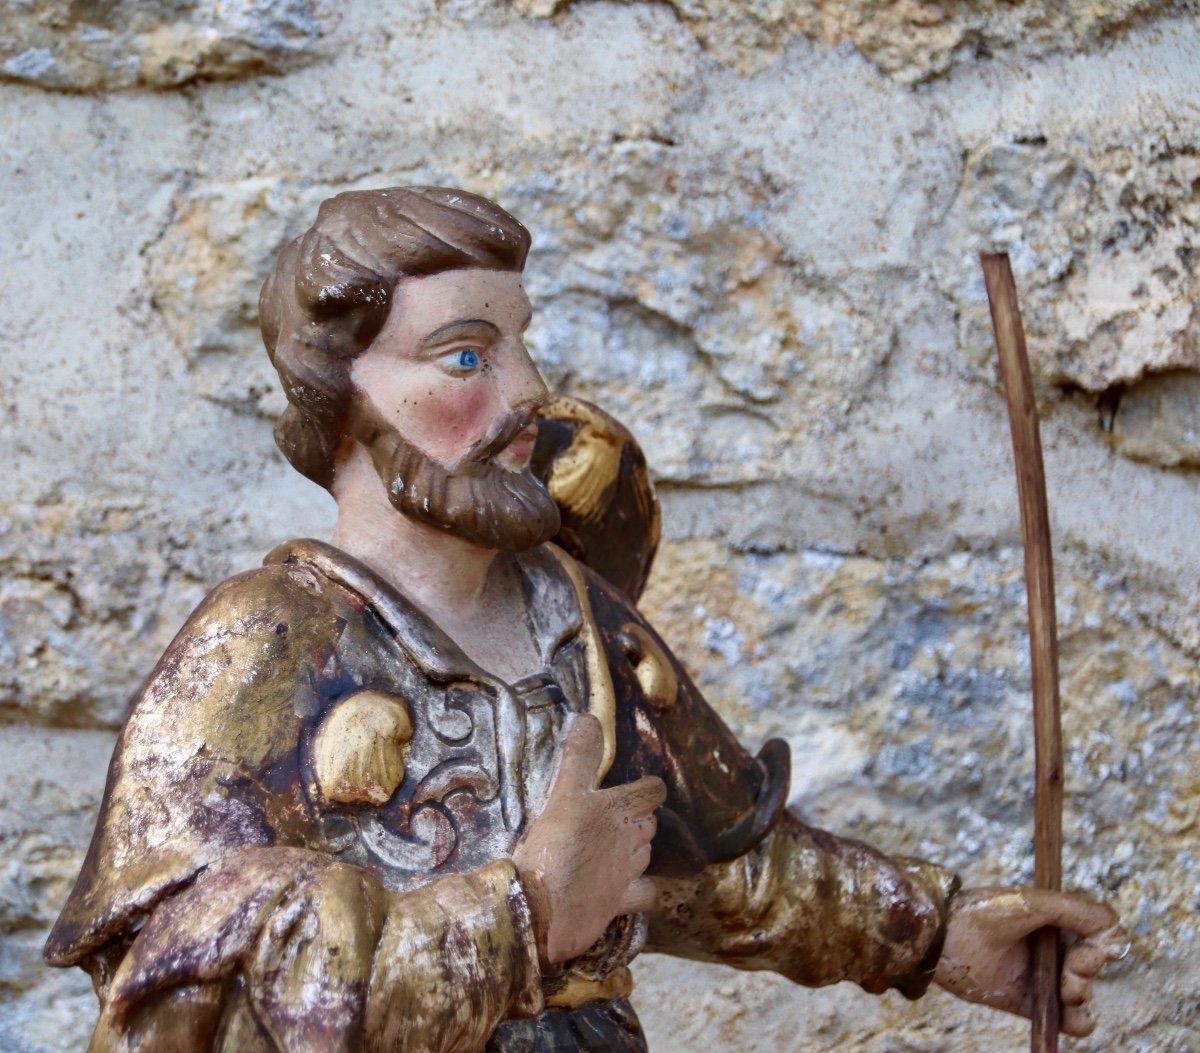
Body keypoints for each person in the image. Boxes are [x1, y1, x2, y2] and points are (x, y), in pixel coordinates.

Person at [44, 187, 1127, 1052]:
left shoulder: (574, 615)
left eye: (522, 344)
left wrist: (936, 936)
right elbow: (177, 986)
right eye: (467, 356)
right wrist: (523, 912)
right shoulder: (267, 643)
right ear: (343, 395)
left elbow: (717, 868)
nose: (527, 392)